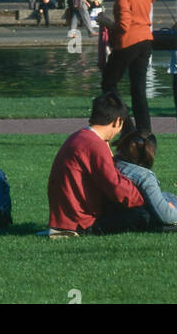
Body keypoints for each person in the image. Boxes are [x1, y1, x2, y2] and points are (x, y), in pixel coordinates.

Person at [43, 92, 148, 236]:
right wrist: (145, 198)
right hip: (80, 223)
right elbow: (116, 187)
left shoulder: (79, 137)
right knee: (142, 215)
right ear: (117, 121)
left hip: (67, 217)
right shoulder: (94, 145)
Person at [101, 0, 156, 131]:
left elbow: (124, 25)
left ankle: (127, 126)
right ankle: (145, 131)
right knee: (138, 89)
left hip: (128, 42)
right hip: (146, 40)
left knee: (109, 83)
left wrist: (106, 22)